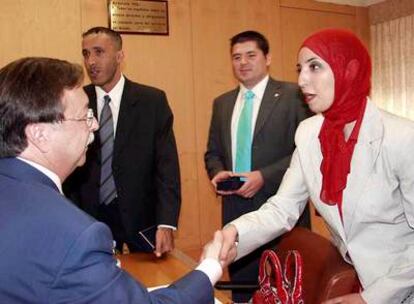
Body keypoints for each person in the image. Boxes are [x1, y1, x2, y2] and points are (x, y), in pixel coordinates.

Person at [210, 28, 414, 304]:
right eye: (300, 68)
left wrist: (373, 298)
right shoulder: (309, 134)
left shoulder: (403, 138)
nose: (302, 80)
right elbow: (282, 209)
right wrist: (234, 235)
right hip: (355, 280)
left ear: (349, 70)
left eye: (315, 67)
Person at [0, 57, 225, 303]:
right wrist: (210, 267)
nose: (95, 125)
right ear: (39, 134)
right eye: (84, 117)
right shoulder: (74, 235)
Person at [204, 30, 311, 302]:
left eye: (251, 55)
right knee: (242, 291)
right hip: (235, 210)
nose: (243, 62)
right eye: (236, 57)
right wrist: (218, 173)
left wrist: (263, 176)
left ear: (268, 58)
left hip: (283, 209)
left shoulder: (293, 96)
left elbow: (306, 152)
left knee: (285, 290)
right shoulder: (222, 103)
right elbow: (212, 153)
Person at [64, 27, 181, 256]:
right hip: (89, 218)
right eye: (86, 54)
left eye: (99, 52)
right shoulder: (77, 100)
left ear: (120, 56)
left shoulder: (152, 102)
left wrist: (166, 223)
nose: (91, 62)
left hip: (142, 220)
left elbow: (167, 167)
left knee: (150, 285)